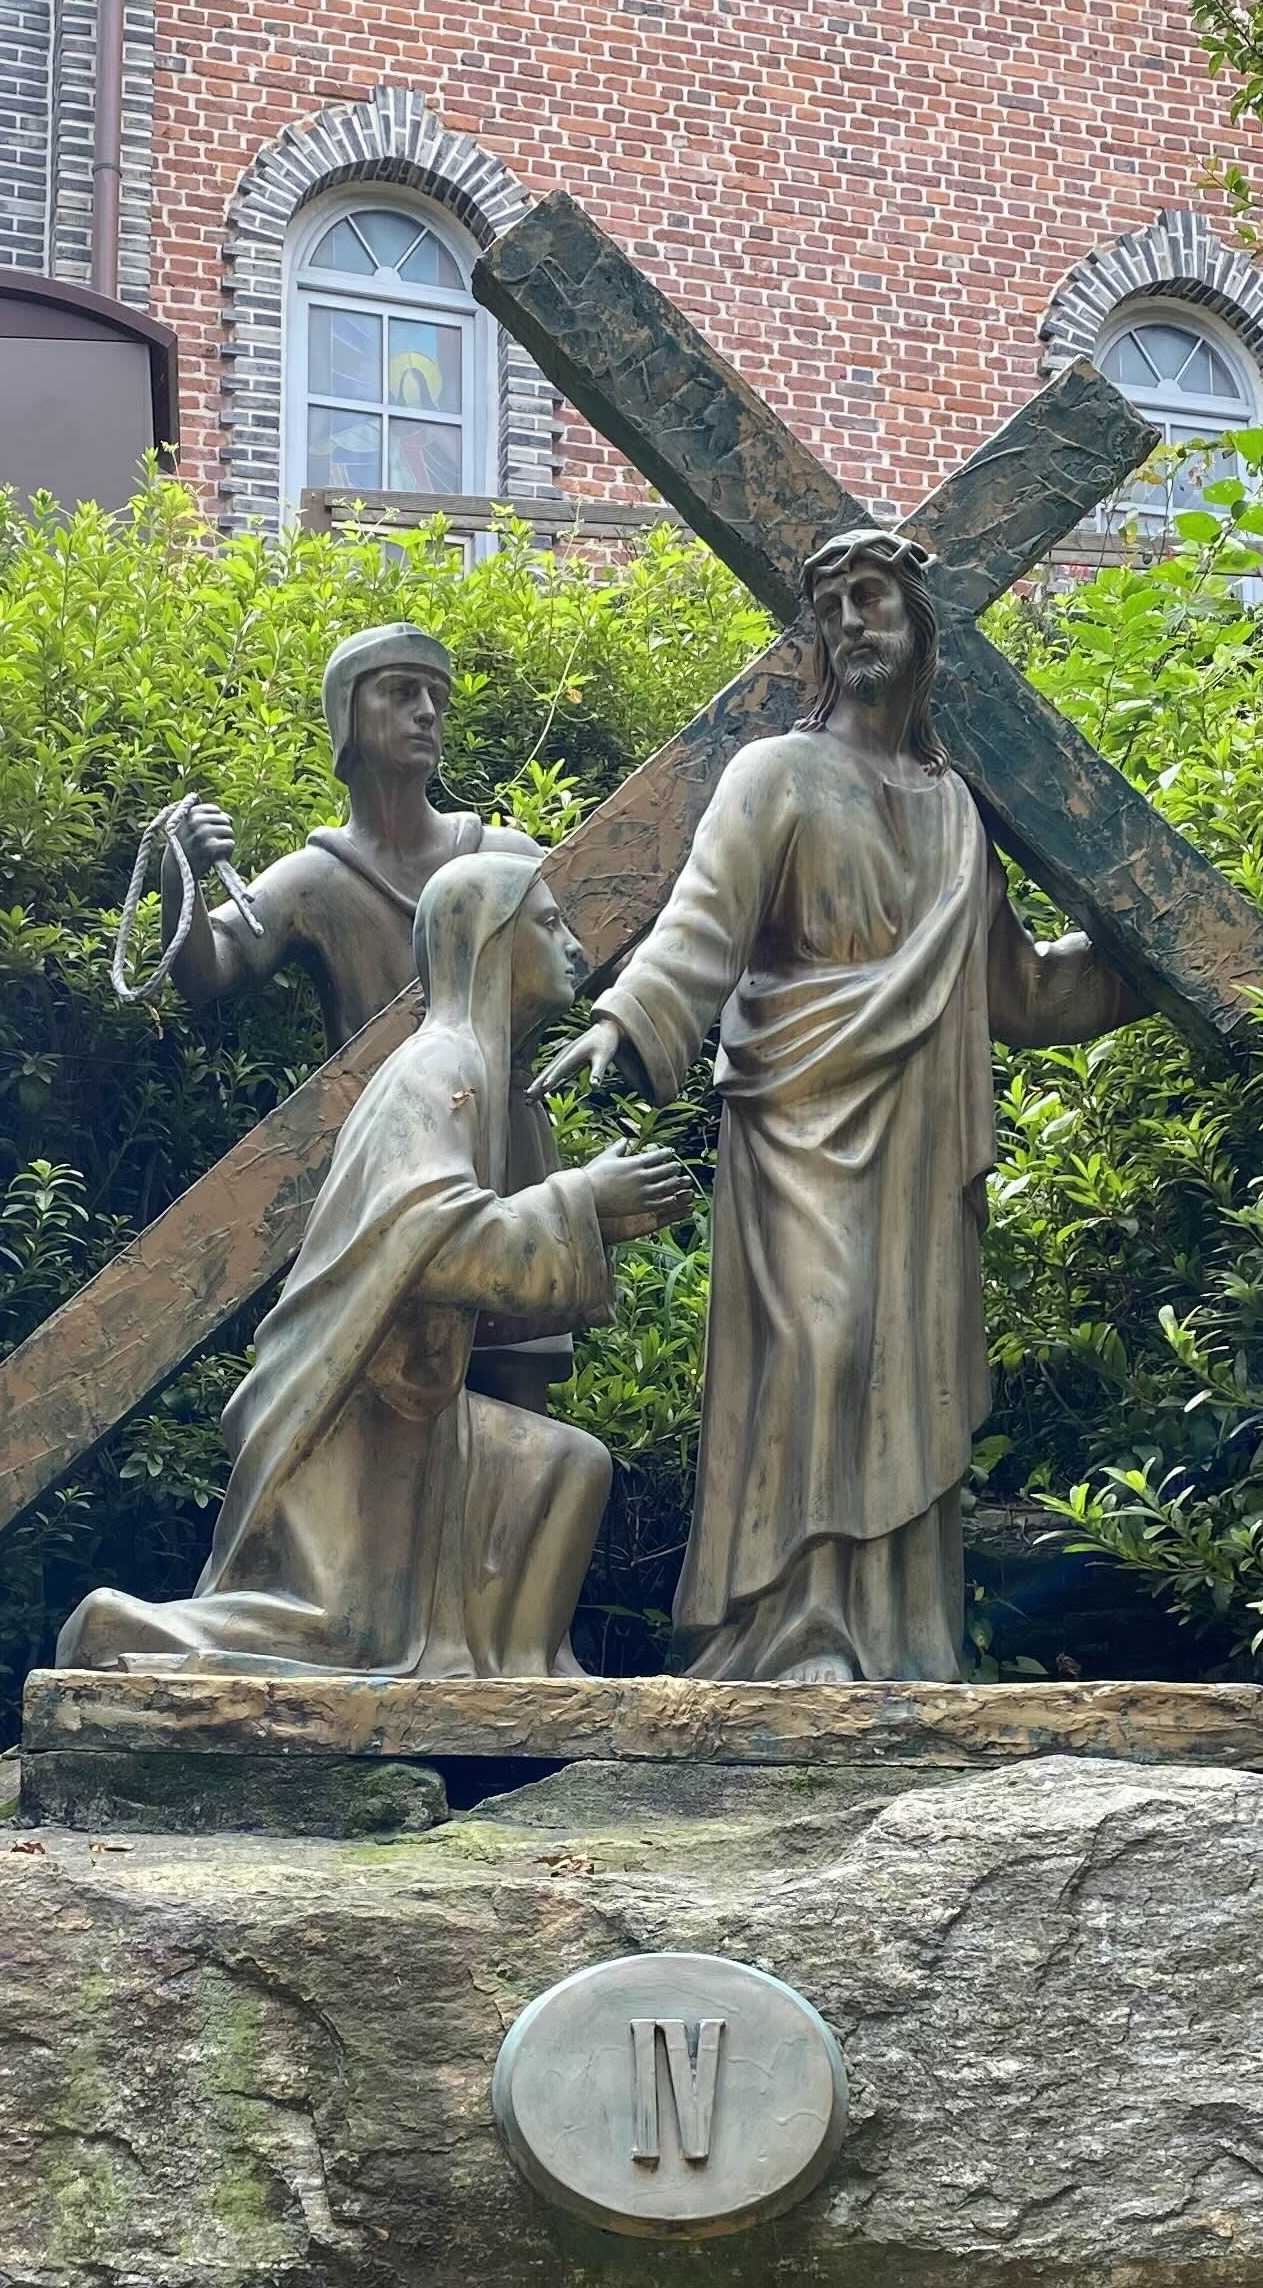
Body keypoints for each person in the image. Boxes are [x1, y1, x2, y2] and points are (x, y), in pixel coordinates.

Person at [528, 527, 1136, 1684]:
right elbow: (702, 923)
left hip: (919, 1143)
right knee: (819, 1344)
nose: (853, 619)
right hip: (800, 1125)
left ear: (919, 620)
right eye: (833, 604)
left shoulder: (958, 810)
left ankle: (902, 1641)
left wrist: (1139, 972)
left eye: (872, 596)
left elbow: (1014, 987)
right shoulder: (776, 775)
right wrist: (626, 1020)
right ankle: (791, 1631)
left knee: (907, 1369)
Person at [57, 852, 693, 1678]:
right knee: (348, 1635)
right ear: (491, 944)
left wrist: (592, 1218)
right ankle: (130, 1630)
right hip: (344, 1405)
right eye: (548, 924)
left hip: (408, 1402)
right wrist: (582, 1202)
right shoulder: (438, 1069)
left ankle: (523, 1677)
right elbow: (431, 1239)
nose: (574, 945)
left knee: (569, 1467)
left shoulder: (480, 1074)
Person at [168, 622, 571, 1412]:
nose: (427, 711)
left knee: (516, 1395)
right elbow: (209, 973)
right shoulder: (313, 881)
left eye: (436, 696)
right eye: (400, 692)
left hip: (505, 1150)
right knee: (388, 1409)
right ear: (349, 719)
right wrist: (179, 874)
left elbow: (581, 965)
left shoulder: (508, 856)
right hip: (390, 1172)